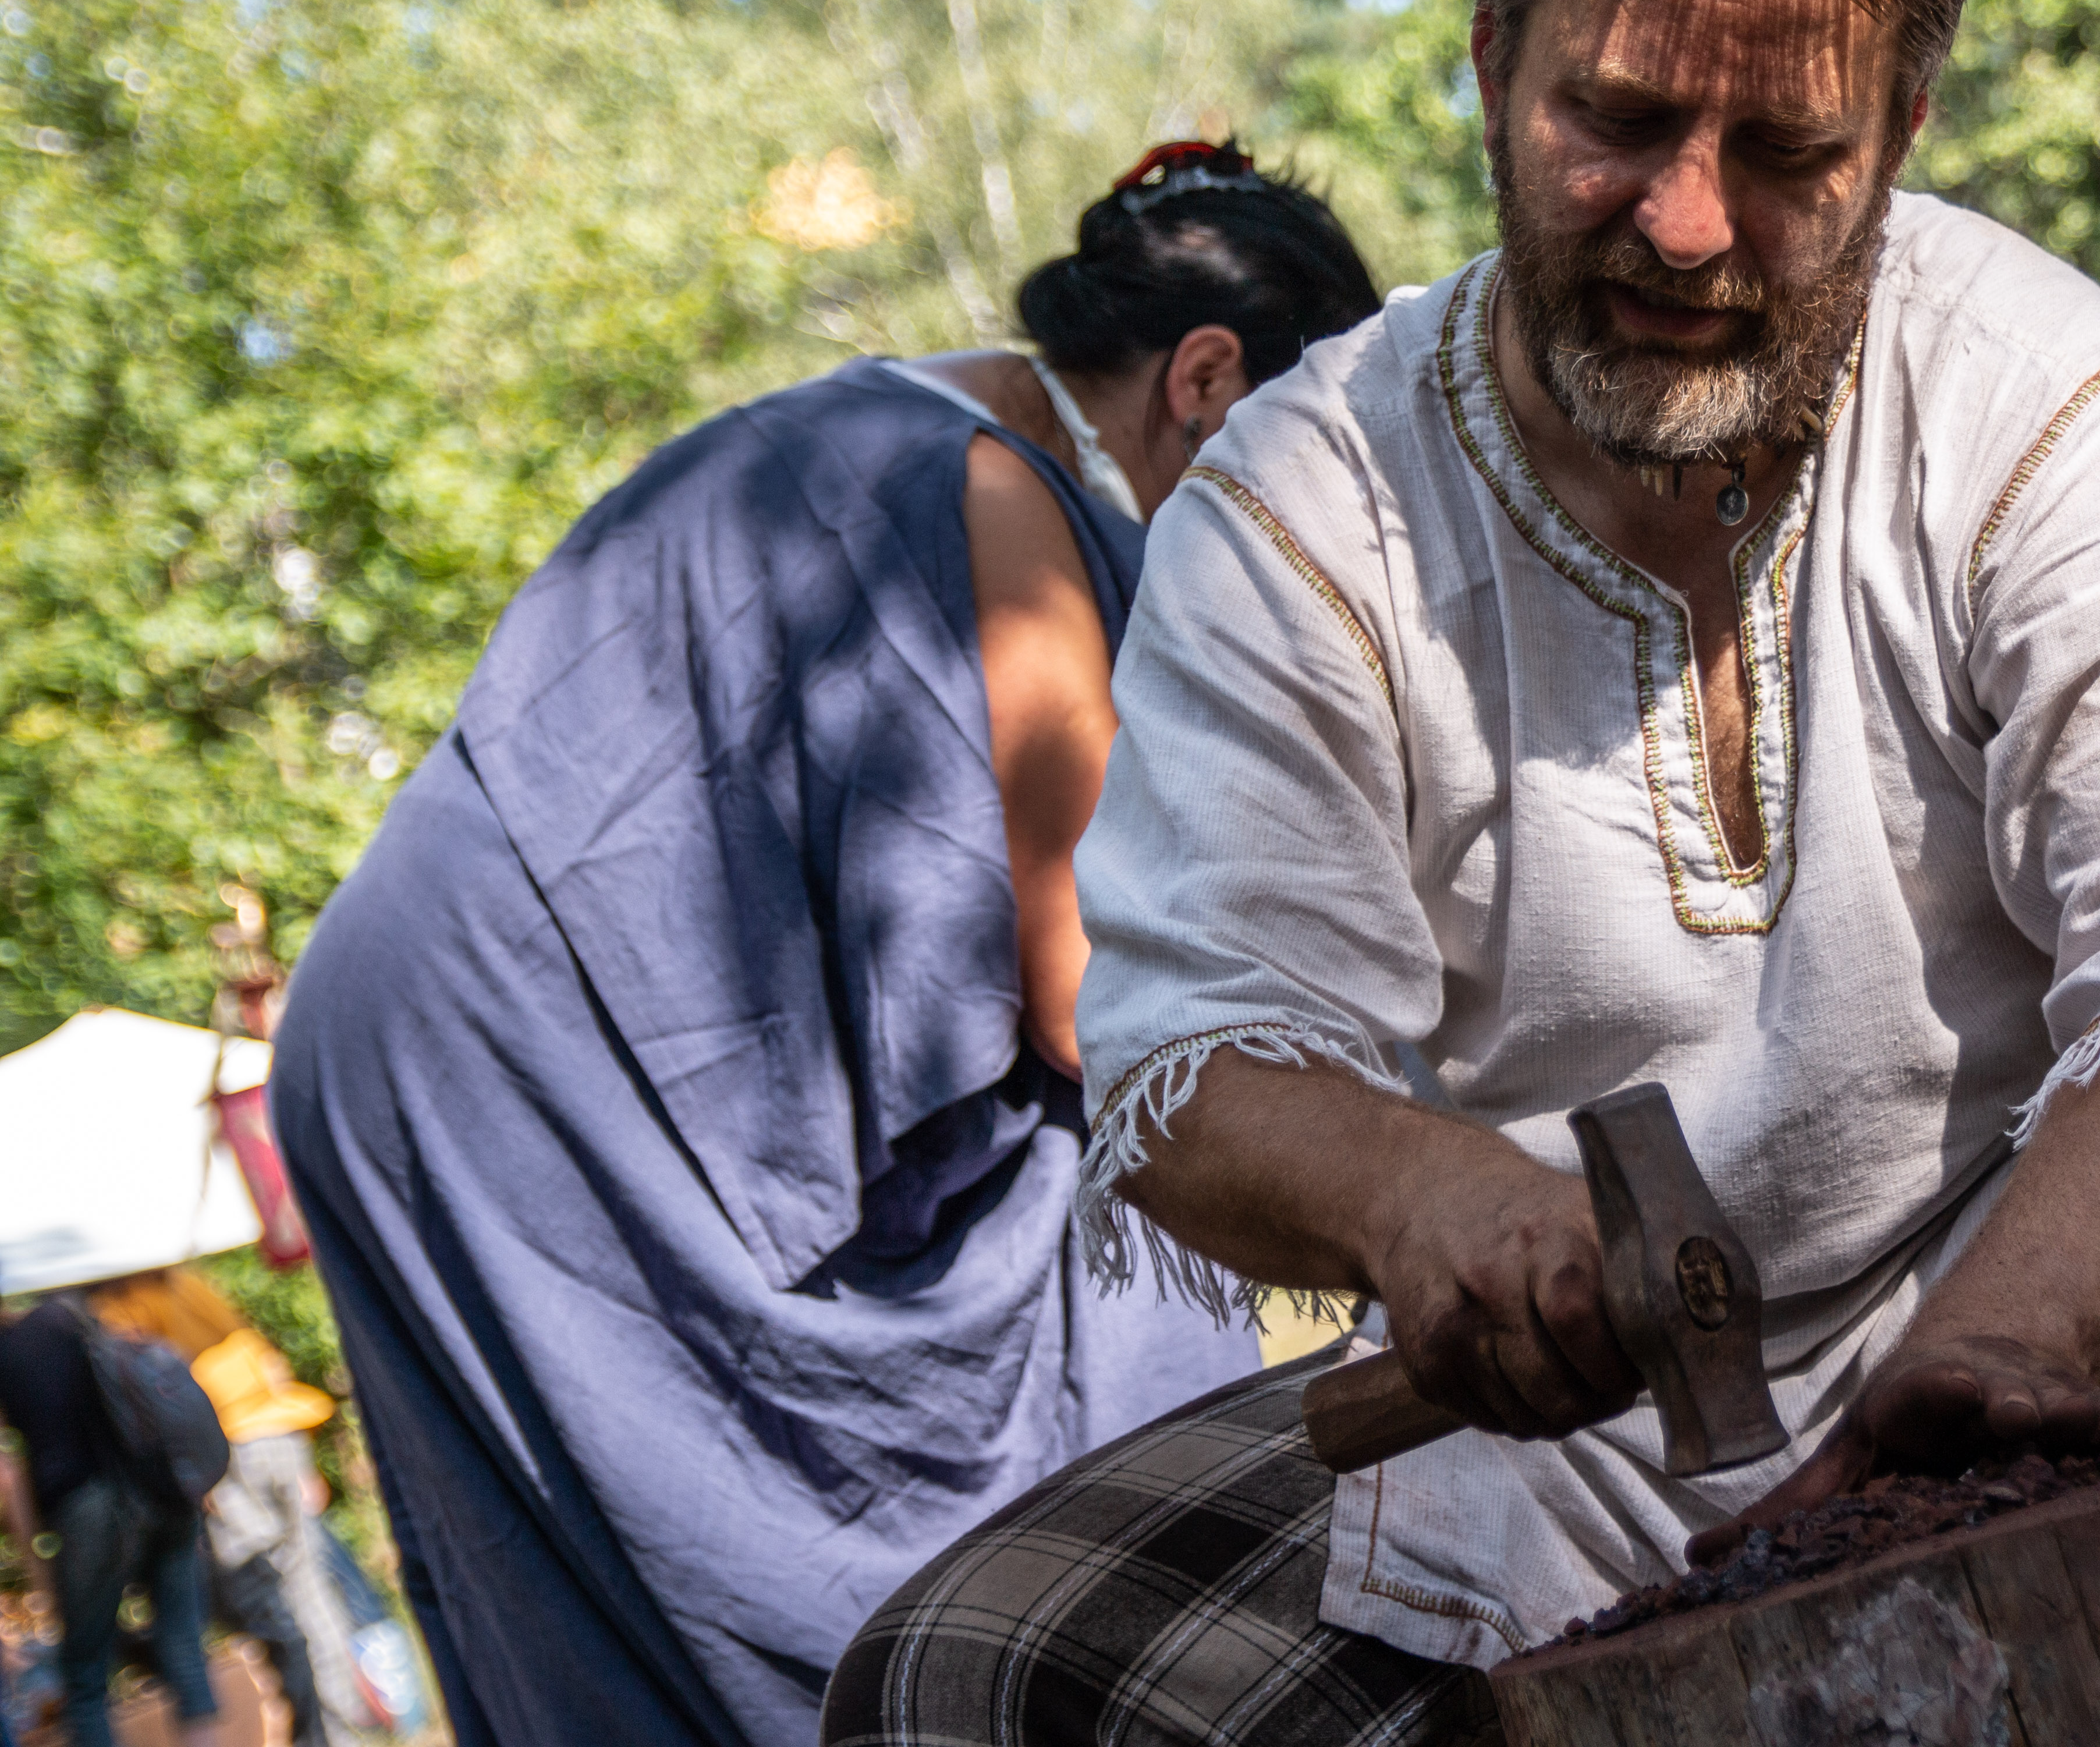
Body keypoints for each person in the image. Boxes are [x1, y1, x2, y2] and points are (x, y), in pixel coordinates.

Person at [825, 0, 2100, 1747]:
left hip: (2065, 1280)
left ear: (1904, 125)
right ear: (1492, 64)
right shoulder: (1302, 507)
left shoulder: (2044, 405)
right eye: (1615, 120)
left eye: (1786, 151)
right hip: (1558, 1426)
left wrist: (2001, 1350)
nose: (1687, 224)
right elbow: (1193, 1044)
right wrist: (1424, 1199)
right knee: (965, 1673)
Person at [272, 143, 1377, 1747]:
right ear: (1204, 382)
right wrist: (1394, 1184)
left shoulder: (885, 421)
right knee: (1113, 1212)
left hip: (410, 1034)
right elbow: (1102, 1000)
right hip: (511, 1054)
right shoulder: (1002, 493)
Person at [88, 1269, 345, 1747]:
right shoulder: (186, 1279)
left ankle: (320, 1733)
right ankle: (338, 1728)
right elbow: (260, 1352)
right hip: (279, 1432)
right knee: (308, 1591)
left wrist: (199, 1472)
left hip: (232, 1450)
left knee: (263, 1598)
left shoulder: (120, 1297)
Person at [0, 1300, 221, 1747]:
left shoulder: (8, 1356)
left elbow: (9, 1476)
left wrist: (37, 1564)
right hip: (159, 1489)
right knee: (183, 1642)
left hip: (90, 1510)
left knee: (84, 1673)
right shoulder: (66, 1317)